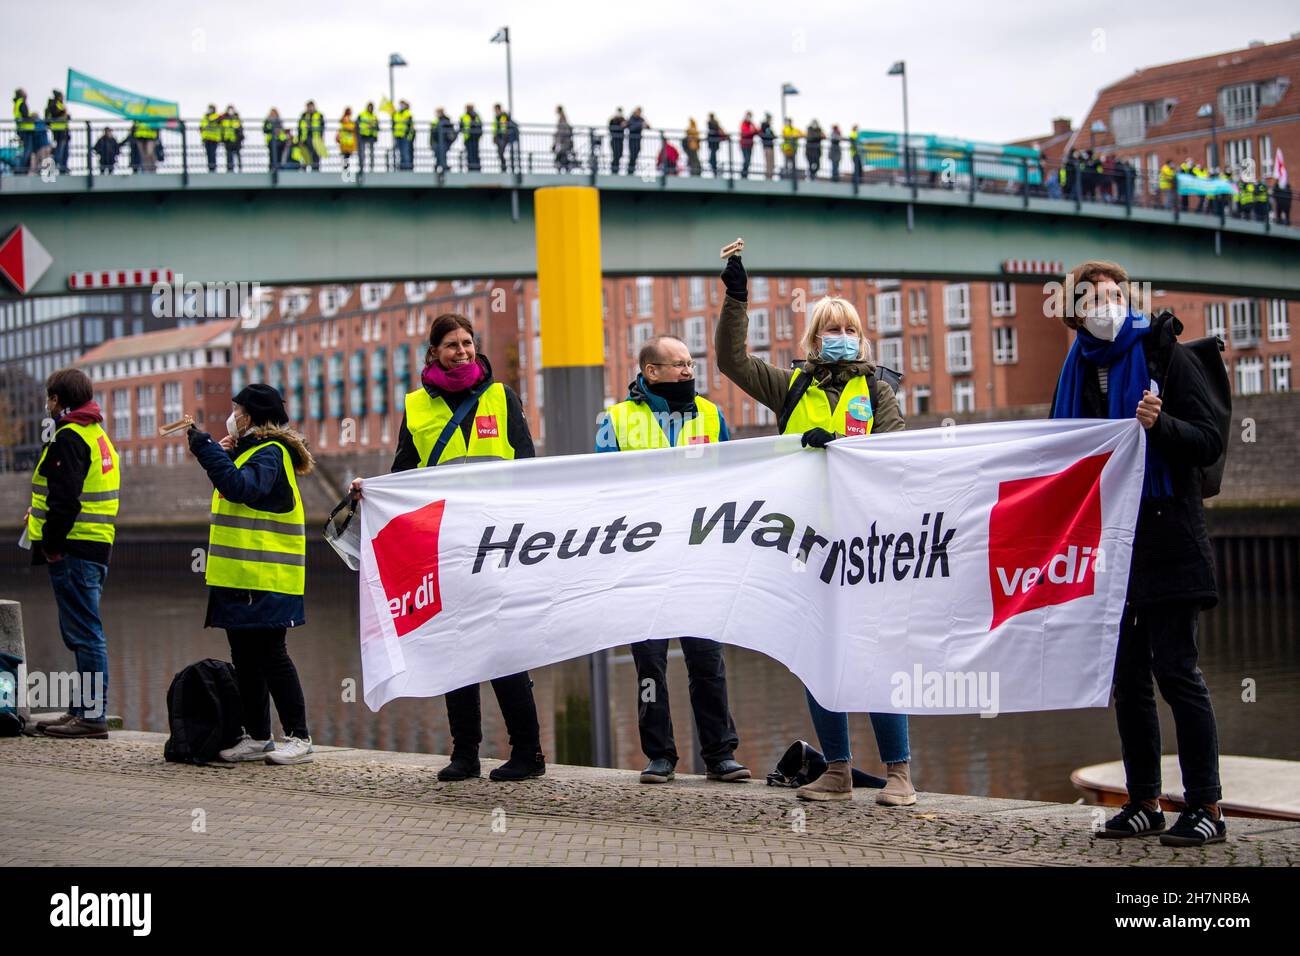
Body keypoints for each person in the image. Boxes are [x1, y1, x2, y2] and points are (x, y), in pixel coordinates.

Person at [715, 248, 917, 807]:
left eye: (849, 328)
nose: (842, 336)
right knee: (819, 656)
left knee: (875, 656)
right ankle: (838, 770)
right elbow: (732, 362)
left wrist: (848, 451)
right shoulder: (791, 387)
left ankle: (899, 774)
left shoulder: (877, 390)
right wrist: (736, 299)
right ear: (813, 339)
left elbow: (897, 452)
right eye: (831, 329)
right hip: (808, 545)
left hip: (868, 545)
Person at [1049, 260, 1226, 847]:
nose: (1107, 302)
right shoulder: (1075, 369)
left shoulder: (1162, 353)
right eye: (1094, 296)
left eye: (1115, 293)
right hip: (1111, 542)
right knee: (1127, 678)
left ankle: (1206, 805)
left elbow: (1208, 440)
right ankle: (1144, 801)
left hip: (1167, 531)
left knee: (1177, 671)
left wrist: (1160, 424)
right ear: (1075, 312)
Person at [358, 313, 545, 783]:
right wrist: (372, 491)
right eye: (451, 345)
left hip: (497, 542)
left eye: (467, 343)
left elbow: (527, 466)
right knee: (455, 647)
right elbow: (404, 474)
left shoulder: (502, 398)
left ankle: (528, 753)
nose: (461, 351)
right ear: (433, 353)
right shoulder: (417, 406)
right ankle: (466, 754)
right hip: (444, 546)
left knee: (505, 649)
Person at [594, 336, 751, 785]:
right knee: (650, 664)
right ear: (651, 371)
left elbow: (730, 478)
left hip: (698, 553)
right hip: (642, 558)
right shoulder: (616, 421)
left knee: (707, 659)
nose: (688, 371)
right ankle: (659, 756)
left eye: (690, 363)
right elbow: (602, 488)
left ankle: (720, 754)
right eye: (678, 364)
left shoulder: (710, 414)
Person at [186, 385, 315, 766]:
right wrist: (225, 453)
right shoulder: (249, 452)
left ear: (253, 416)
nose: (233, 416)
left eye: (237, 409)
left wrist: (208, 450)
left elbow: (241, 489)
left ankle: (299, 735)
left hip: (268, 578)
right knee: (244, 657)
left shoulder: (271, 454)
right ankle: (259, 736)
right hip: (239, 578)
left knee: (272, 655)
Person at [26, 369, 119, 739]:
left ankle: (92, 717)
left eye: (50, 398)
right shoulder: (98, 436)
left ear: (59, 400)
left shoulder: (69, 436)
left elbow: (65, 500)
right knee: (83, 632)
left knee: (86, 634)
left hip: (73, 550)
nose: (48, 405)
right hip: (95, 548)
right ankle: (82, 710)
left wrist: (50, 545)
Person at [44, 89, 70, 174]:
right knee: (59, 151)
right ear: (59, 97)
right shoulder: (53, 104)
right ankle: (53, 168)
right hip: (59, 131)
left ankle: (63, 168)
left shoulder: (59, 104)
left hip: (64, 131)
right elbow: (55, 115)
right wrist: (64, 112)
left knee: (64, 151)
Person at [13, 88, 36, 174]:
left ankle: (22, 168)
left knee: (26, 150)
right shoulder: (21, 103)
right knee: (27, 150)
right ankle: (22, 169)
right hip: (26, 129)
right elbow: (25, 116)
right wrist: (32, 118)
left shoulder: (17, 103)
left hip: (22, 129)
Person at [298, 100, 324, 171]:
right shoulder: (303, 115)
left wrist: (321, 137)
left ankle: (315, 170)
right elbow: (299, 129)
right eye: (308, 107)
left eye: (311, 106)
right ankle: (304, 170)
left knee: (316, 156)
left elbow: (322, 128)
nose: (309, 108)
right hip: (305, 139)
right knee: (306, 155)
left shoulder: (319, 115)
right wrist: (299, 139)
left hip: (316, 139)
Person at [392, 100, 413, 171]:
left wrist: (407, 134)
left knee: (405, 152)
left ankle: (406, 167)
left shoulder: (407, 113)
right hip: (398, 135)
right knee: (400, 152)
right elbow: (394, 124)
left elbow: (409, 125)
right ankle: (402, 167)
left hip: (405, 136)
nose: (401, 106)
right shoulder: (396, 114)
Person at [626, 107, 648, 174]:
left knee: (636, 154)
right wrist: (640, 125)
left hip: (638, 140)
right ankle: (630, 170)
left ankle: (632, 169)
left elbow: (648, 127)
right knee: (632, 155)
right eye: (638, 112)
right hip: (632, 140)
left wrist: (646, 125)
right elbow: (631, 128)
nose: (639, 113)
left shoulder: (641, 119)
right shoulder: (631, 118)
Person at [461, 102, 482, 171]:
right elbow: (461, 127)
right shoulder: (464, 116)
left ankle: (476, 168)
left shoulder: (476, 116)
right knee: (470, 153)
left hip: (474, 137)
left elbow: (480, 126)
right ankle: (472, 168)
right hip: (468, 138)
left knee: (474, 153)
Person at [221, 105, 243, 172]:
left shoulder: (237, 118)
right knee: (229, 155)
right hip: (228, 140)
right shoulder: (224, 119)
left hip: (236, 140)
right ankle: (230, 169)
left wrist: (240, 136)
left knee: (237, 155)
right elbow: (222, 129)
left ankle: (239, 168)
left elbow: (240, 128)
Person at [432, 107, 454, 173]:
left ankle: (442, 166)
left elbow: (451, 133)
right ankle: (441, 166)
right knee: (438, 154)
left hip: (444, 142)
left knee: (441, 153)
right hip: (437, 142)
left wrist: (449, 141)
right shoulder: (436, 121)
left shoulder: (446, 121)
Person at [201, 103, 222, 172]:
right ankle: (210, 168)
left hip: (214, 139)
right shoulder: (205, 116)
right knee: (208, 154)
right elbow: (202, 126)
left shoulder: (217, 116)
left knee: (213, 153)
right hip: (207, 138)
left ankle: (213, 168)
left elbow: (219, 124)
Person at [357, 101, 378, 172]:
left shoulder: (375, 117)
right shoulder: (362, 114)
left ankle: (371, 167)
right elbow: (357, 124)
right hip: (363, 136)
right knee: (362, 153)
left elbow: (377, 127)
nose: (370, 109)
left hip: (371, 136)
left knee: (371, 153)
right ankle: (362, 167)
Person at [553, 105, 574, 173]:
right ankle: (565, 169)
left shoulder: (562, 118)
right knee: (563, 156)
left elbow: (562, 130)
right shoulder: (563, 117)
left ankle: (562, 169)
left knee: (561, 156)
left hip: (564, 142)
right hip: (565, 142)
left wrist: (557, 140)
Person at [738, 111, 758, 178]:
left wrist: (752, 124)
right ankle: (743, 174)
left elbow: (756, 130)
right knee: (746, 159)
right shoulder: (743, 123)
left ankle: (745, 174)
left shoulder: (751, 124)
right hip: (744, 145)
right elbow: (745, 133)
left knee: (748, 160)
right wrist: (752, 132)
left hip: (750, 145)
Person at [337, 107, 356, 173]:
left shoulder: (349, 121)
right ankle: (345, 168)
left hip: (348, 143)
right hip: (345, 143)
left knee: (346, 157)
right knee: (346, 157)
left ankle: (346, 168)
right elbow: (349, 128)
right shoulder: (346, 121)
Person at [706, 112, 726, 177]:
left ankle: (713, 164)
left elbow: (712, 131)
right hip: (715, 141)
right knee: (713, 154)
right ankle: (713, 165)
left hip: (713, 141)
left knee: (713, 154)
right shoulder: (716, 123)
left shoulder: (711, 122)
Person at [608, 107, 626, 174]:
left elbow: (628, 126)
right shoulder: (612, 120)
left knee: (620, 154)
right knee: (615, 155)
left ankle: (616, 168)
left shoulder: (623, 119)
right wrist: (620, 126)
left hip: (621, 141)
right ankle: (614, 169)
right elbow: (610, 128)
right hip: (614, 140)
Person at [759, 113, 776, 180]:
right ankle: (768, 177)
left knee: (772, 163)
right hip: (767, 147)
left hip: (770, 146)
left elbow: (773, 136)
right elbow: (763, 134)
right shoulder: (764, 126)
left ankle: (770, 176)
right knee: (768, 162)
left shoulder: (769, 127)